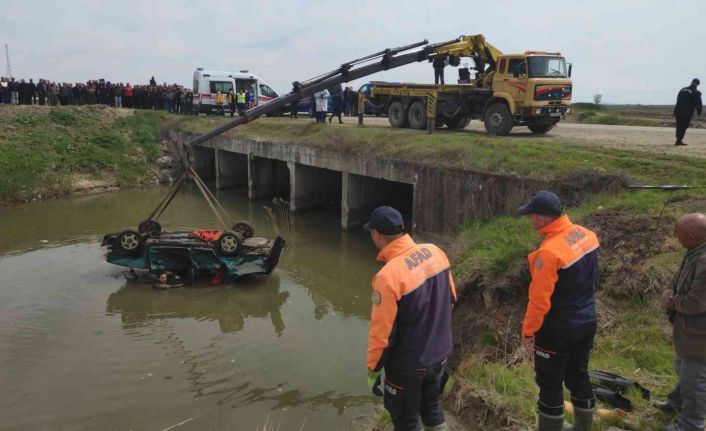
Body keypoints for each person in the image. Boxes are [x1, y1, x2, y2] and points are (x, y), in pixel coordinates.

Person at [364, 206, 456, 431]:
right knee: (432, 407)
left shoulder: (387, 277)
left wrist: (373, 370)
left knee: (406, 420)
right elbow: (452, 298)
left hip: (408, 366)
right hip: (440, 353)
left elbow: (381, 333)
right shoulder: (435, 252)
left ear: (377, 234)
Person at [518, 191, 599, 431]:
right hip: (587, 320)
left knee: (550, 382)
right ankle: (583, 427)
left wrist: (528, 331)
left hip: (558, 329)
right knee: (578, 375)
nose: (530, 220)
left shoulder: (549, 253)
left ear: (542, 219)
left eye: (531, 215)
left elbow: (539, 300)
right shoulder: (587, 235)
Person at [657, 213, 706, 431]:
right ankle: (676, 403)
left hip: (700, 334)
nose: (674, 236)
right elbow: (677, 278)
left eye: (678, 233)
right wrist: (668, 290)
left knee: (694, 381)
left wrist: (672, 302)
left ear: (693, 236)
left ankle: (691, 424)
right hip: (688, 330)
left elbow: (696, 302)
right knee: (681, 366)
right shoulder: (694, 251)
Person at [674, 79, 703, 146]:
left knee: (679, 125)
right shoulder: (695, 92)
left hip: (678, 110)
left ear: (691, 82)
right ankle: (679, 140)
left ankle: (678, 139)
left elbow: (678, 99)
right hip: (687, 112)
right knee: (684, 125)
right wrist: (699, 112)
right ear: (697, 84)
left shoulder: (683, 89)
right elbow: (698, 103)